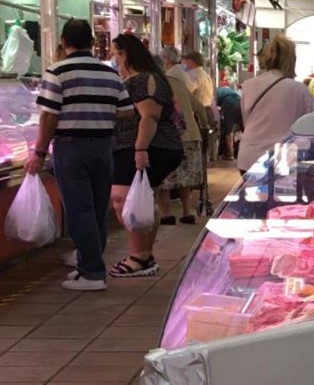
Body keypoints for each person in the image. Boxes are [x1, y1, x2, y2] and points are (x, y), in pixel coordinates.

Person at [26, 19, 132, 291]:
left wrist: (39, 151)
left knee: (78, 210)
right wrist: (99, 113)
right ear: (92, 43)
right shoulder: (109, 74)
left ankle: (94, 274)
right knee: (97, 209)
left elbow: (49, 116)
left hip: (71, 147)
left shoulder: (57, 71)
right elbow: (126, 110)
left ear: (64, 41)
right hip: (103, 147)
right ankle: (88, 265)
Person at [108, 33, 185, 278]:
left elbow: (149, 116)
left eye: (115, 54)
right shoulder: (144, 78)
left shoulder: (145, 80)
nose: (113, 59)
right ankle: (144, 254)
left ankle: (139, 256)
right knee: (140, 199)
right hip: (146, 146)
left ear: (125, 54)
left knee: (122, 197)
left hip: (146, 147)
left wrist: (140, 148)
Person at [236, 35, 314, 173]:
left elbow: (246, 121)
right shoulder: (299, 89)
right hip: (282, 158)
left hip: (249, 157)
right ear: (292, 60)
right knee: (279, 195)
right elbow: (311, 127)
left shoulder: (248, 86)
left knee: (252, 194)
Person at [157, 54, 211, 225]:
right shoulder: (180, 84)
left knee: (164, 178)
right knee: (185, 178)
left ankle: (167, 214)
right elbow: (199, 107)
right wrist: (204, 125)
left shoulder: (157, 85)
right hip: (190, 135)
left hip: (168, 138)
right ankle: (187, 212)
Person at [182, 50, 216, 125]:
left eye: (186, 62)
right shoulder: (205, 75)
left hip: (197, 114)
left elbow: (186, 91)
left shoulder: (193, 75)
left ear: (191, 62)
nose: (185, 65)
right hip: (208, 111)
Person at [216, 82, 242, 161]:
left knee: (228, 130)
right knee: (243, 128)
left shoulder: (215, 92)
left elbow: (213, 107)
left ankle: (230, 154)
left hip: (229, 103)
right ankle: (243, 153)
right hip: (239, 101)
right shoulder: (228, 90)